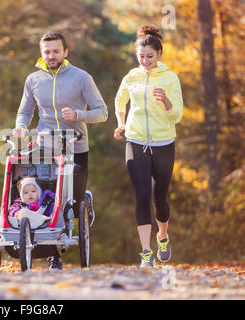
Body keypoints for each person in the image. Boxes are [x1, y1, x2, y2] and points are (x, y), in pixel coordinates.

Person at [13, 31, 108, 269]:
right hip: (46, 146)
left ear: (65, 52)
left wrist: (78, 115)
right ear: (41, 53)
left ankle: (84, 198)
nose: (51, 55)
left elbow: (102, 112)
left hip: (76, 145)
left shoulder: (81, 78)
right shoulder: (33, 79)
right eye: (47, 52)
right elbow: (25, 111)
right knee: (47, 200)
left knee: (73, 207)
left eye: (56, 51)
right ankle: (53, 255)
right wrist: (21, 127)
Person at [114, 25, 183, 268]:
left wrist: (165, 100)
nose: (145, 61)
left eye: (150, 56)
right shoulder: (131, 76)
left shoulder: (170, 78)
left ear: (159, 55)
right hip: (136, 141)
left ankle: (162, 236)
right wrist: (121, 123)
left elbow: (177, 116)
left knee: (160, 198)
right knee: (142, 195)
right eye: (141, 56)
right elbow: (120, 99)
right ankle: (146, 252)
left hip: (164, 143)